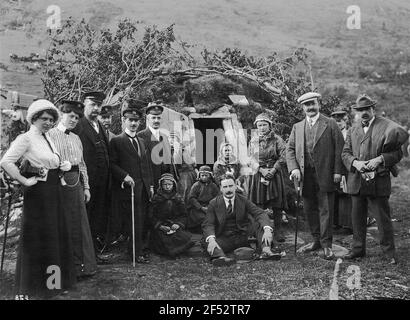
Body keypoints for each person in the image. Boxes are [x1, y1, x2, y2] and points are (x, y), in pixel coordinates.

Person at [0, 99, 76, 298]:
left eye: (51, 119)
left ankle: (52, 285)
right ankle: (26, 289)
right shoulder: (26, 138)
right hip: (38, 194)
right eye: (44, 118)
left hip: (53, 191)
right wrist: (23, 180)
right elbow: (6, 161)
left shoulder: (47, 138)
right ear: (34, 118)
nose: (48, 122)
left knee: (53, 236)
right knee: (35, 239)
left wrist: (62, 165)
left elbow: (51, 162)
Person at [342, 94, 409, 264]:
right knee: (357, 218)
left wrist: (379, 160)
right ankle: (358, 250)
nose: (364, 113)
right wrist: (355, 163)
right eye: (360, 110)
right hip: (357, 180)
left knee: (382, 218)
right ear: (356, 113)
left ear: (373, 109)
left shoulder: (387, 127)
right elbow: (345, 153)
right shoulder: (352, 129)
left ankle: (389, 253)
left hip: (378, 179)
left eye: (367, 109)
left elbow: (397, 153)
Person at [286, 92, 344, 260]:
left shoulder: (330, 123)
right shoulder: (297, 127)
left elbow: (340, 148)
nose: (310, 107)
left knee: (326, 209)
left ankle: (327, 245)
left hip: (326, 174)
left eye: (313, 104)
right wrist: (293, 168)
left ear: (319, 104)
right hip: (305, 176)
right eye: (307, 105)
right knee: (310, 208)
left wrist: (338, 171)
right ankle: (316, 240)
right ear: (303, 107)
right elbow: (289, 150)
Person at [48, 100, 97, 279]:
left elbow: (82, 165)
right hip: (59, 184)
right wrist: (60, 167)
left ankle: (84, 267)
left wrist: (87, 188)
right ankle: (65, 270)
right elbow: (46, 161)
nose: (74, 120)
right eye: (71, 116)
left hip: (76, 184)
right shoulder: (50, 135)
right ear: (62, 115)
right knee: (64, 223)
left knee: (80, 224)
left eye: (77, 118)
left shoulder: (76, 138)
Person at [202, 174, 281, 266]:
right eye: (225, 187)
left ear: (235, 186)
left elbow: (259, 213)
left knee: (261, 224)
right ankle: (220, 257)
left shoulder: (243, 200)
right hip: (225, 238)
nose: (228, 190)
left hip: (242, 236)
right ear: (221, 188)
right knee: (207, 240)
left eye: (231, 186)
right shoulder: (214, 203)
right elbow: (208, 224)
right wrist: (211, 239)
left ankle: (266, 251)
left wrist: (267, 229)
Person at [109, 101, 154, 263]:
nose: (134, 123)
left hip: (143, 188)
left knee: (142, 219)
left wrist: (150, 185)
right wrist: (124, 176)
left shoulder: (141, 141)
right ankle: (135, 253)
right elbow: (112, 164)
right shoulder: (117, 141)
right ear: (124, 121)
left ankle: (139, 249)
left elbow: (146, 164)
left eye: (136, 121)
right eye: (130, 120)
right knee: (133, 221)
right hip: (128, 189)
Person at [72, 91, 111, 255]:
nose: (96, 108)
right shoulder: (77, 125)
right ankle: (85, 255)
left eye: (98, 105)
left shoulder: (100, 125)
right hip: (85, 182)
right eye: (92, 105)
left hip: (101, 181)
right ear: (84, 105)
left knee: (97, 216)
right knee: (85, 217)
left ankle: (94, 252)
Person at [248, 113, 288, 242]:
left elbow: (284, 155)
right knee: (258, 203)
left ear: (269, 125)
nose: (262, 127)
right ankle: (260, 228)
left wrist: (274, 169)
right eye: (259, 125)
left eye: (265, 125)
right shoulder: (253, 140)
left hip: (274, 173)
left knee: (277, 203)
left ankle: (279, 230)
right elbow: (250, 158)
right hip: (259, 173)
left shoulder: (277, 139)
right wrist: (261, 169)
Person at [149, 173, 194, 258]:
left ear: (174, 185)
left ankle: (175, 250)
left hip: (173, 224)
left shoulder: (178, 198)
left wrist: (178, 224)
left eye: (169, 184)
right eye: (165, 184)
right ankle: (172, 251)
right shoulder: (156, 198)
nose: (167, 186)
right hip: (161, 225)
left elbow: (183, 215)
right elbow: (151, 216)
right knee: (163, 239)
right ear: (161, 185)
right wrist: (160, 226)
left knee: (182, 237)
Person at [137, 100, 171, 191]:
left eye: (158, 118)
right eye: (153, 118)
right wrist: (149, 184)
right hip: (150, 182)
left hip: (164, 183)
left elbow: (168, 162)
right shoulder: (141, 136)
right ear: (148, 119)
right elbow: (142, 164)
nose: (156, 120)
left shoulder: (164, 137)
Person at [330, 107, 352, 233]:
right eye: (336, 122)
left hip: (348, 168)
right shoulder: (331, 134)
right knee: (335, 194)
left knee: (347, 195)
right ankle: (335, 223)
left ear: (345, 121)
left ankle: (347, 225)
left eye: (341, 122)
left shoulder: (350, 133)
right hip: (334, 168)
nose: (338, 124)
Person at [187, 165, 220, 233]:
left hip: (210, 206)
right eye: (202, 175)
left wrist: (210, 207)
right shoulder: (196, 185)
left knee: (213, 217)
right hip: (198, 207)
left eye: (206, 175)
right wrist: (201, 207)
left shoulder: (213, 186)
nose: (204, 177)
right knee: (200, 217)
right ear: (199, 176)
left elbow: (217, 197)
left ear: (210, 176)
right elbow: (192, 198)